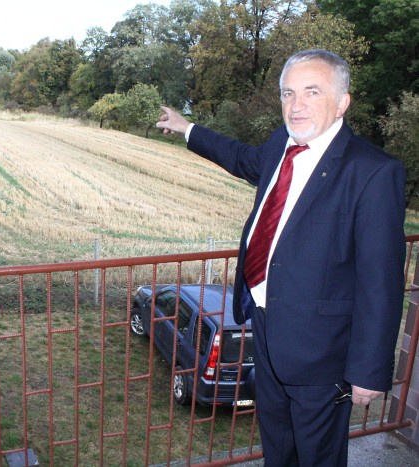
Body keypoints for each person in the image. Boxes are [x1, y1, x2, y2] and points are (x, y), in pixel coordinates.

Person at [156, 49, 406, 466]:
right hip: (267, 330)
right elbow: (238, 156)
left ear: (342, 102)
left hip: (322, 351)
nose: (296, 105)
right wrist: (188, 129)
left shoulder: (373, 172)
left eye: (312, 92)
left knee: (318, 455)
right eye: (288, 93)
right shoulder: (279, 146)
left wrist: (368, 370)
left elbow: (381, 282)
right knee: (278, 445)